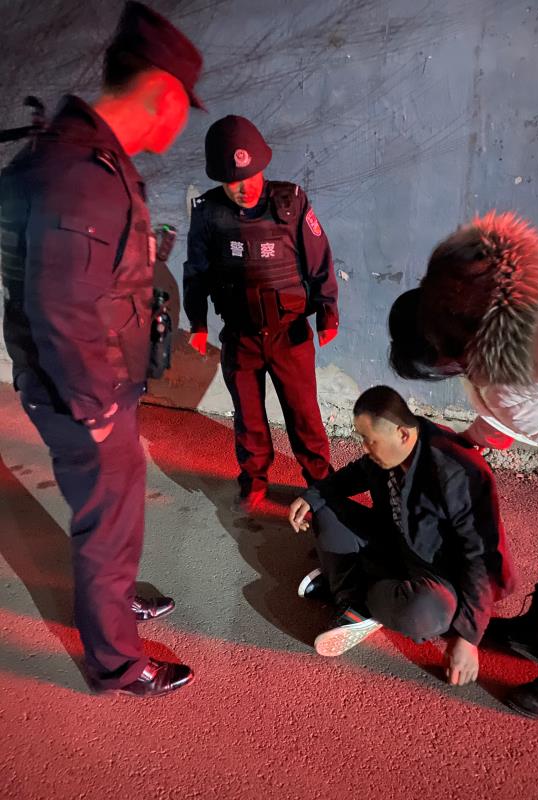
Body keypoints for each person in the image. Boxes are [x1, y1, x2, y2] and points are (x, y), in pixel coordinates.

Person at [0, 1, 204, 697]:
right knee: (108, 518)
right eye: (184, 105)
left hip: (92, 380)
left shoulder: (85, 157)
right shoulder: (82, 172)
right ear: (161, 94)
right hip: (84, 389)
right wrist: (96, 409)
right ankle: (117, 663)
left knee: (115, 509)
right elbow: (62, 307)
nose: (182, 121)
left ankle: (111, 601)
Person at [389, 210, 538, 718]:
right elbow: (516, 398)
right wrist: (476, 438)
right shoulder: (477, 318)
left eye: (448, 364)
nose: (456, 371)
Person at [288, 386, 514, 686]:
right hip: (394, 543)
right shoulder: (391, 450)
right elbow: (356, 473)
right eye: (362, 438)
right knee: (323, 508)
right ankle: (354, 597)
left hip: (437, 574)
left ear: (403, 434)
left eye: (370, 440)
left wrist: (468, 637)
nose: (365, 448)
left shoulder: (457, 473)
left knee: (424, 613)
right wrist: (313, 496)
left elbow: (481, 557)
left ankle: (353, 594)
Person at [184, 116, 339, 512]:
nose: (244, 187)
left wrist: (327, 310)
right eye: (233, 181)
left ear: (263, 167)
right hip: (241, 335)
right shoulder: (208, 213)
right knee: (248, 418)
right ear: (220, 180)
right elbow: (196, 272)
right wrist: (197, 322)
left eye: (250, 176)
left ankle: (323, 487)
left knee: (304, 417)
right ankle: (253, 482)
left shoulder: (291, 202)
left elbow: (319, 258)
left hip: (290, 334)